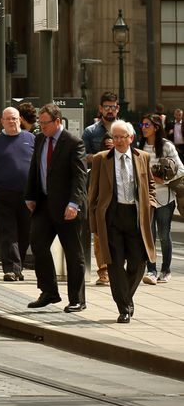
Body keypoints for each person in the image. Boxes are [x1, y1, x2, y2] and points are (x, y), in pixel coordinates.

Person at [88, 119, 156, 323]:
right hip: (112, 217)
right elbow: (93, 193)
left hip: (135, 218)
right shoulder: (102, 159)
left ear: (131, 138)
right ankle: (124, 308)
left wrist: (150, 204)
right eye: (114, 137)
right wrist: (94, 224)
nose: (117, 141)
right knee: (115, 265)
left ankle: (126, 297)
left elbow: (150, 185)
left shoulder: (142, 157)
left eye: (121, 137)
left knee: (139, 262)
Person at [24, 102, 87, 312]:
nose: (41, 127)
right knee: (38, 244)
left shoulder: (73, 142)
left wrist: (74, 203)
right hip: (43, 203)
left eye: (45, 123)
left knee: (73, 252)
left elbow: (79, 177)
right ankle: (49, 291)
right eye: (39, 123)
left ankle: (77, 299)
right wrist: (30, 195)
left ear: (57, 121)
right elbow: (35, 168)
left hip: (67, 207)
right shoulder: (41, 139)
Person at [0, 106, 35, 282]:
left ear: (20, 120)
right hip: (2, 194)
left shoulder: (31, 138)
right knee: (7, 232)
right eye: (8, 119)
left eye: (15, 118)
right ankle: (10, 269)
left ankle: (17, 267)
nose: (12, 121)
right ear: (2, 121)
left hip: (27, 195)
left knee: (25, 232)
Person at [137, 112, 184, 284]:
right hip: (147, 197)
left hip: (165, 197)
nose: (143, 128)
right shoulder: (139, 145)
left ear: (156, 127)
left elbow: (181, 169)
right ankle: (151, 270)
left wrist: (164, 179)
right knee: (149, 235)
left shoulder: (166, 146)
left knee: (164, 235)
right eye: (142, 125)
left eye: (147, 125)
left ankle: (165, 270)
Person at [82, 90, 121, 287]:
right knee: (98, 229)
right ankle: (103, 270)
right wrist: (101, 155)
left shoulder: (125, 130)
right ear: (100, 108)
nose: (110, 110)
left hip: (122, 185)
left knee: (119, 227)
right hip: (98, 185)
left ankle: (117, 267)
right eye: (106, 107)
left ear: (118, 108)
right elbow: (82, 156)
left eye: (113, 107)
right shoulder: (91, 132)